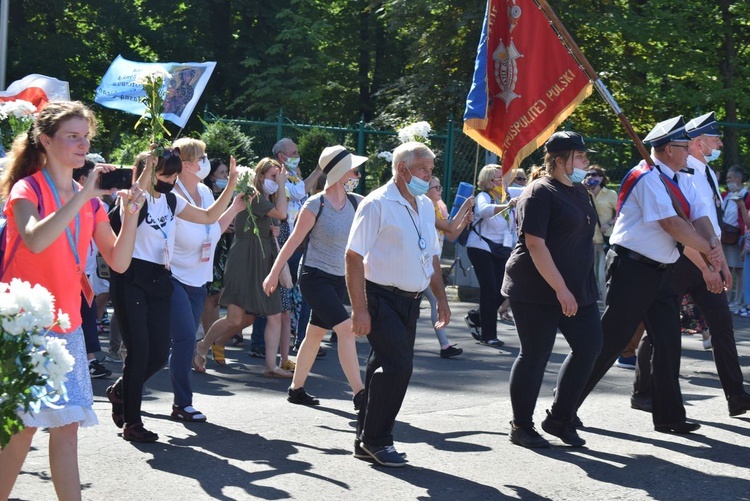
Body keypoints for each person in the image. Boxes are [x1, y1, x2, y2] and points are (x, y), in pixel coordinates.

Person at [0, 101, 142, 500]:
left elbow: (119, 260)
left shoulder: (90, 200)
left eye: (86, 137)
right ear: (45, 141)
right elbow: (35, 238)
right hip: (23, 325)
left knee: (67, 430)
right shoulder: (28, 188)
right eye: (72, 137)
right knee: (21, 430)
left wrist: (130, 215)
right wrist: (83, 198)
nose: (83, 145)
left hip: (68, 326)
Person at [577, 116, 725, 434]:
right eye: (685, 147)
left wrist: (714, 248)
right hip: (632, 268)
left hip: (661, 271)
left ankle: (670, 417)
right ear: (669, 148)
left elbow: (698, 214)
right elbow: (672, 225)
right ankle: (564, 407)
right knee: (610, 343)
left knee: (669, 344)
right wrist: (709, 254)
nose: (689, 152)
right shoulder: (646, 177)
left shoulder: (679, 176)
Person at [106, 145, 238, 443]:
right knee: (139, 352)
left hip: (160, 279)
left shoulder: (171, 199)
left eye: (174, 175)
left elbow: (207, 217)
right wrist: (145, 173)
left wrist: (230, 185)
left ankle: (120, 391)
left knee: (156, 354)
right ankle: (133, 422)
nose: (170, 181)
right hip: (131, 279)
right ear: (149, 172)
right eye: (164, 175)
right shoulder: (131, 198)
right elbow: (125, 215)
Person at [630, 113, 750, 417]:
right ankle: (643, 391)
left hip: (706, 256)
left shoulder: (705, 171)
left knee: (722, 326)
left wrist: (718, 263)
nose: (720, 143)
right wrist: (707, 266)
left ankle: (736, 396)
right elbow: (684, 227)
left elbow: (709, 222)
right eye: (714, 138)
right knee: (658, 328)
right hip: (685, 260)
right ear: (697, 143)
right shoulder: (682, 173)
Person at [346, 141, 450, 467]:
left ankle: (365, 438)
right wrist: (360, 309)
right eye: (422, 169)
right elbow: (353, 256)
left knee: (381, 367)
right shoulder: (377, 203)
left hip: (411, 301)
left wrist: (442, 299)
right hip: (380, 298)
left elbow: (430, 255)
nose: (428, 176)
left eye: (430, 170)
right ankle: (378, 440)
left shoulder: (422, 205)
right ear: (402, 169)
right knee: (399, 368)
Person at [500, 131, 601, 448]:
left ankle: (560, 417)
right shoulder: (540, 192)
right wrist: (560, 288)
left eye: (585, 156)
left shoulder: (581, 191)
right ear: (560, 160)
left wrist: (574, 287)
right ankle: (521, 426)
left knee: (590, 347)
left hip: (576, 288)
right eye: (580, 156)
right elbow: (534, 244)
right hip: (536, 288)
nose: (586, 161)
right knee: (535, 355)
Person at [263, 145, 366, 407]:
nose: (358, 174)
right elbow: (293, 242)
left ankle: (296, 389)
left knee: (314, 335)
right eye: (354, 169)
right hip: (314, 277)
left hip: (337, 279)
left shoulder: (356, 202)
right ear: (341, 172)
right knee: (345, 329)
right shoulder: (315, 203)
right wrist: (274, 274)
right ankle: (360, 394)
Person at [168, 138, 248, 422]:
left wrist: (235, 208)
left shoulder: (203, 190)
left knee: (182, 342)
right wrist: (230, 186)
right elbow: (204, 220)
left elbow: (212, 229)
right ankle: (183, 403)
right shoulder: (171, 194)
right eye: (201, 157)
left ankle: (129, 389)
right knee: (185, 338)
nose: (206, 162)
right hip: (173, 276)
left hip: (199, 278)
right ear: (187, 164)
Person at [194, 158, 293, 378]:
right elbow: (282, 215)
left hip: (264, 260)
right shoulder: (253, 195)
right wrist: (284, 184)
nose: (277, 181)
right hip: (244, 260)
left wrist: (271, 231)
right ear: (260, 176)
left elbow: (276, 222)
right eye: (273, 176)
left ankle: (271, 366)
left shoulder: (268, 198)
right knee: (236, 319)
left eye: (278, 176)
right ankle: (202, 346)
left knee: (273, 314)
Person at [465, 164, 515, 347]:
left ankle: (476, 317)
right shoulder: (483, 196)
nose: (504, 181)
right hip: (480, 247)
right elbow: (485, 212)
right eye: (499, 178)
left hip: (502, 249)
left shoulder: (508, 198)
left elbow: (513, 226)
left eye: (504, 178)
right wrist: (506, 205)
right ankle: (488, 335)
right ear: (489, 181)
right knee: (490, 289)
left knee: (504, 289)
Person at [426, 175, 474, 357]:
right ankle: (444, 345)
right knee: (435, 301)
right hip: (423, 263)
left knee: (431, 302)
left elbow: (452, 235)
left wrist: (465, 221)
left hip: (434, 262)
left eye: (440, 187)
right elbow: (449, 227)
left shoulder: (440, 206)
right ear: (426, 191)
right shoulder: (424, 206)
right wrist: (464, 207)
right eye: (436, 188)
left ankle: (444, 345)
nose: (439, 191)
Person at [201, 158, 243, 348]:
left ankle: (212, 338)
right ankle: (206, 338)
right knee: (209, 297)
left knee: (217, 297)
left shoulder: (230, 196)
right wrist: (221, 227)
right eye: (222, 173)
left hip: (226, 249)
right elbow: (203, 220)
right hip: (211, 250)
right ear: (211, 176)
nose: (225, 176)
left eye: (227, 172)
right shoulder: (205, 195)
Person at [584, 165, 617, 298]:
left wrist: (608, 223)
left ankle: (605, 305)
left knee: (602, 275)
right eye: (588, 175)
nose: (590, 177)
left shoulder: (610, 194)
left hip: (605, 238)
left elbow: (620, 213)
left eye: (594, 175)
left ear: (601, 178)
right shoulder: (584, 193)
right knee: (587, 274)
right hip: (588, 239)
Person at [721, 165, 750, 314]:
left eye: (730, 178)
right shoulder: (727, 195)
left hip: (739, 237)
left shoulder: (746, 196)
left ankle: (738, 299)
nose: (728, 181)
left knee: (739, 270)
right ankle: (726, 298)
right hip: (726, 235)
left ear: (738, 179)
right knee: (727, 268)